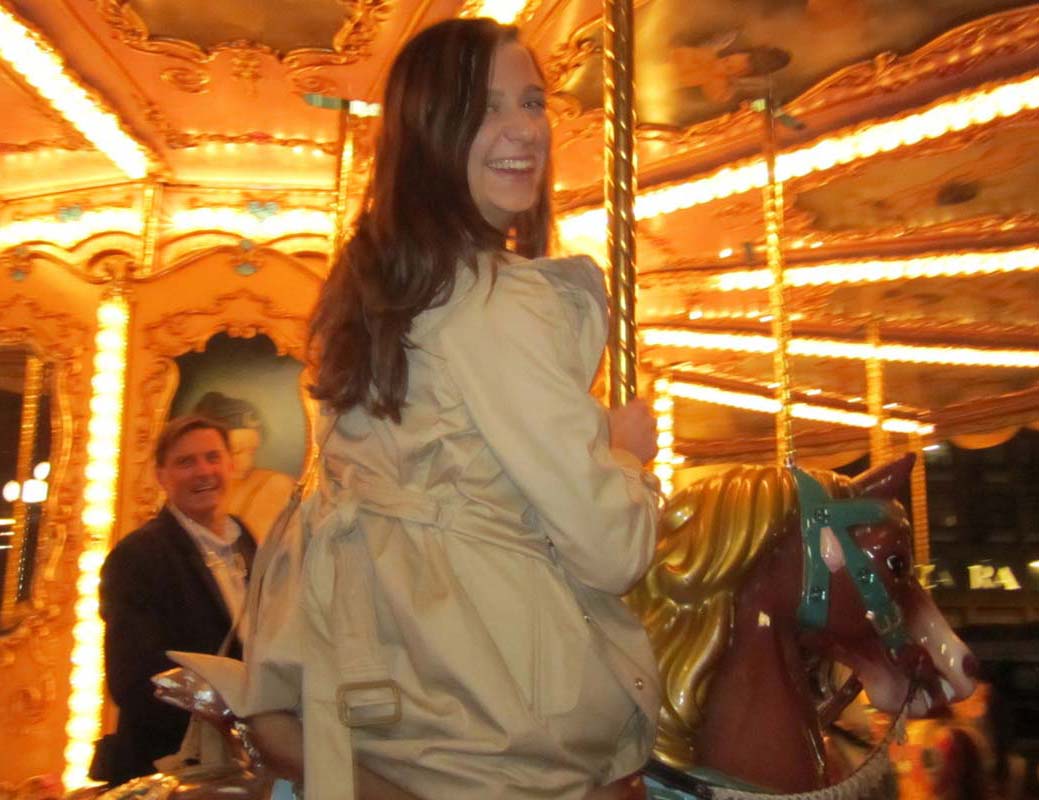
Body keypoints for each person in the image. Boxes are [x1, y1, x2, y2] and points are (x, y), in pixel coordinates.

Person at [238, 17, 662, 799]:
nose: (522, 129)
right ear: (432, 131)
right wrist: (625, 458)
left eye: (530, 102)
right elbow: (611, 550)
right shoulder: (499, 299)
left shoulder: (378, 288)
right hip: (482, 703)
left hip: (372, 668)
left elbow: (455, 465)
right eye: (484, 108)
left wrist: (591, 435)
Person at [90, 415, 258, 785]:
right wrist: (222, 714)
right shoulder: (138, 556)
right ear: (161, 476)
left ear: (230, 465)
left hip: (242, 764)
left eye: (212, 457)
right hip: (171, 765)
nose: (204, 471)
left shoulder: (245, 540)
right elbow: (133, 682)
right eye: (186, 462)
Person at [193, 391, 297, 542]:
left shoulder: (274, 486)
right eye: (236, 451)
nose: (247, 463)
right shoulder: (194, 490)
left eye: (251, 451)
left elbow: (258, 550)